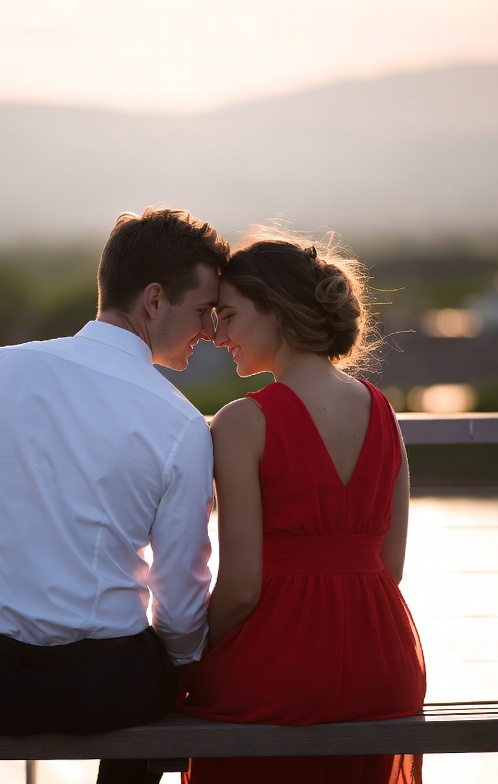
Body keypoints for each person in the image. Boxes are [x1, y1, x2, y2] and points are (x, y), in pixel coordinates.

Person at [0, 207, 229, 784]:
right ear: (154, 301)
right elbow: (182, 597)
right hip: (108, 687)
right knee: (161, 675)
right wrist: (181, 662)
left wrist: (13, 609)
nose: (211, 332)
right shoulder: (182, 424)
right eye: (203, 311)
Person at [176, 227, 426, 783]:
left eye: (230, 316)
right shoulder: (384, 413)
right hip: (381, 664)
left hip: (280, 667)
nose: (218, 335)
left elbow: (240, 587)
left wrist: (188, 657)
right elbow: (393, 567)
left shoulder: (243, 422)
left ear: (279, 315)